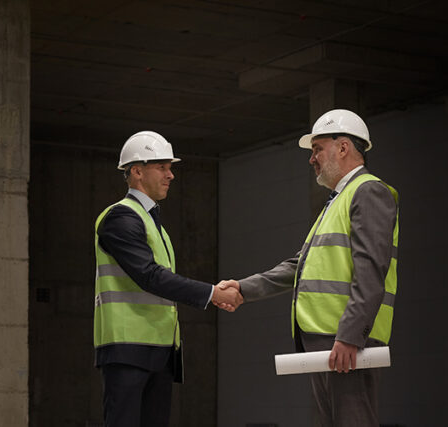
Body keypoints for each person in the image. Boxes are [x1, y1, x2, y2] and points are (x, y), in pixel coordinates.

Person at [218, 109, 399, 426]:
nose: (311, 159)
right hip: (329, 341)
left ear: (342, 147)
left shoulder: (368, 191)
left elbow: (371, 271)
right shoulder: (338, 199)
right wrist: (244, 288)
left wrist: (350, 336)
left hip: (345, 341)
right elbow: (299, 266)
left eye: (317, 149)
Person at [94, 130, 242, 427]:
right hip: (128, 350)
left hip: (158, 351)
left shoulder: (153, 223)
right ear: (137, 171)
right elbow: (150, 277)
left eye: (170, 167)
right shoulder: (120, 218)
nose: (170, 175)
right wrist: (212, 293)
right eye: (162, 167)